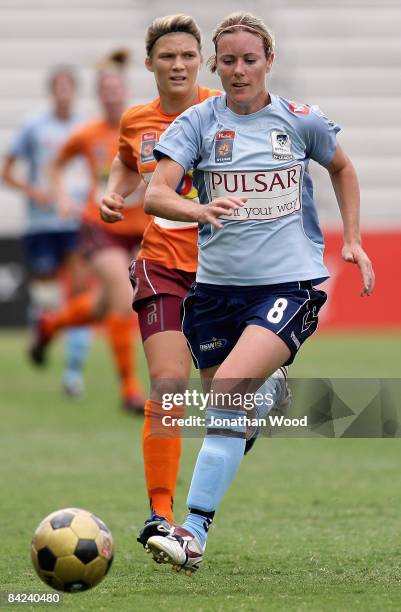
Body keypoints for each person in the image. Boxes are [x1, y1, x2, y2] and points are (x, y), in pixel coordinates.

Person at [140, 11, 375, 574]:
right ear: (215, 64)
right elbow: (154, 194)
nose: (239, 71)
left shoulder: (299, 120)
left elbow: (342, 168)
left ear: (270, 60)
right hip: (216, 293)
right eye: (229, 61)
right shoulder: (198, 123)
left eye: (250, 60)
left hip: (288, 284)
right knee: (233, 418)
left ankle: (191, 532)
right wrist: (197, 208)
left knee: (224, 392)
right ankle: (265, 396)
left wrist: (355, 241)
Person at [99, 15, 223, 539]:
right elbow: (128, 161)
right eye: (167, 56)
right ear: (149, 63)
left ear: (201, 61)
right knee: (169, 385)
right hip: (161, 264)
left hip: (224, 274)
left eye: (188, 56)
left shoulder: (225, 108)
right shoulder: (136, 119)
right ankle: (161, 515)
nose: (178, 65)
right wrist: (114, 193)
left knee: (225, 406)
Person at [31, 53, 149, 412]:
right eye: (105, 89)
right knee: (120, 295)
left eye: (117, 88)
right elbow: (54, 166)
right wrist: (63, 198)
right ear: (99, 95)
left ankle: (51, 324)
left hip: (141, 227)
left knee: (102, 306)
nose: (112, 95)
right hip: (100, 225)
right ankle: (129, 389)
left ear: (125, 91)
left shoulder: (145, 129)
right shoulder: (88, 133)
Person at [1, 67, 91, 398]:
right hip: (40, 222)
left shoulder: (85, 127)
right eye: (59, 87)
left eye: (69, 87)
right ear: (52, 91)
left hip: (76, 220)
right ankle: (42, 338)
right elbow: (6, 171)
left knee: (81, 294)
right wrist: (33, 191)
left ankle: (73, 373)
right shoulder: (34, 126)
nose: (64, 93)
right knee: (46, 297)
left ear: (75, 91)